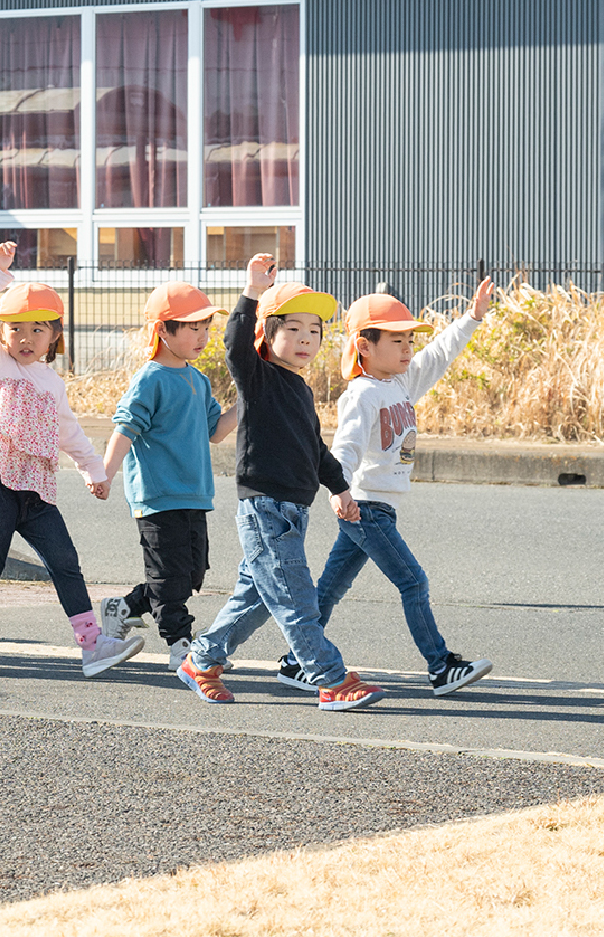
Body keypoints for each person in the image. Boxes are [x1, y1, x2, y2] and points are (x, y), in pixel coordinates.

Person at [177, 254, 385, 711]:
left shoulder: (300, 389)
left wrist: (341, 488)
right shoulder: (259, 378)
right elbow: (233, 344)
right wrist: (252, 291)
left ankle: (202, 659)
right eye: (294, 328)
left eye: (314, 330)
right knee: (296, 597)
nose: (306, 338)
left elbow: (316, 450)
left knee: (256, 598)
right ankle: (330, 679)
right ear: (268, 336)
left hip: (295, 510)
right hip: (265, 508)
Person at [274, 283, 495, 697]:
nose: (408, 348)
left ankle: (295, 661)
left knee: (330, 588)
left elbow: (439, 355)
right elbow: (346, 447)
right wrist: (339, 492)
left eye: (409, 339)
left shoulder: (401, 383)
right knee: (413, 581)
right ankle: (440, 666)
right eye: (397, 340)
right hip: (365, 506)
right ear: (365, 346)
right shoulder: (362, 393)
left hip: (378, 506)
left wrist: (473, 318)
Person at [0, 240, 143, 679]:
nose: (25, 338)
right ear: (2, 335)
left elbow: (68, 431)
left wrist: (94, 470)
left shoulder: (51, 382)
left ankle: (91, 645)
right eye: (15, 329)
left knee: (64, 559)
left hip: (35, 485)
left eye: (37, 329)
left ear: (54, 336)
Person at [98, 282, 238, 672]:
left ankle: (123, 607)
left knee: (189, 576)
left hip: (194, 495)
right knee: (170, 580)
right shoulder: (151, 378)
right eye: (192, 328)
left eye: (206, 327)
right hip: (157, 496)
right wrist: (104, 474)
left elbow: (216, 431)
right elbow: (125, 428)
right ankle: (181, 647)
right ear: (163, 331)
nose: (202, 336)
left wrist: (249, 400)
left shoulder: (198, 379)